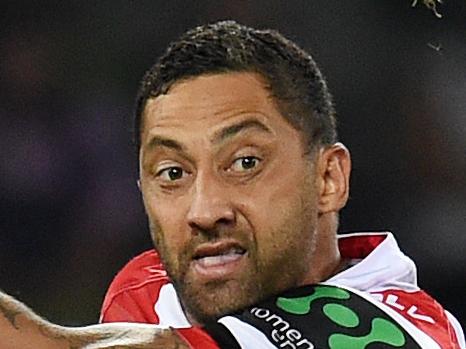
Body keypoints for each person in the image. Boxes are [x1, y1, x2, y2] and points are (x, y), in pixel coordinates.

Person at [0, 20, 464, 349]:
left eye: (244, 163)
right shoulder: (147, 287)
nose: (203, 210)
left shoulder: (394, 335)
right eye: (173, 173)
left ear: (328, 179)